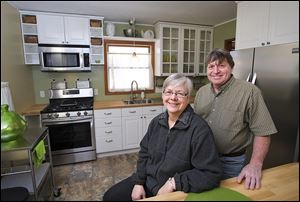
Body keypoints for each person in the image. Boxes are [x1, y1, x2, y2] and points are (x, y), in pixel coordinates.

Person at [103, 73, 222, 201]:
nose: (173, 97)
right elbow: (144, 154)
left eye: (180, 93)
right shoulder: (156, 122)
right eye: (169, 92)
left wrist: (173, 183)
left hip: (173, 190)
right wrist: (139, 182)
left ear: (188, 98)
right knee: (110, 197)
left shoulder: (199, 130)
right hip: (148, 181)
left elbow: (211, 174)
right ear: (163, 95)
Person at [194, 49, 278, 190]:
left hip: (230, 162)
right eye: (211, 66)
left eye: (221, 65)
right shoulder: (201, 92)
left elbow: (263, 132)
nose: (216, 71)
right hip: (201, 159)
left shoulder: (250, 92)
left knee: (227, 196)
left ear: (231, 67)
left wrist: (255, 165)